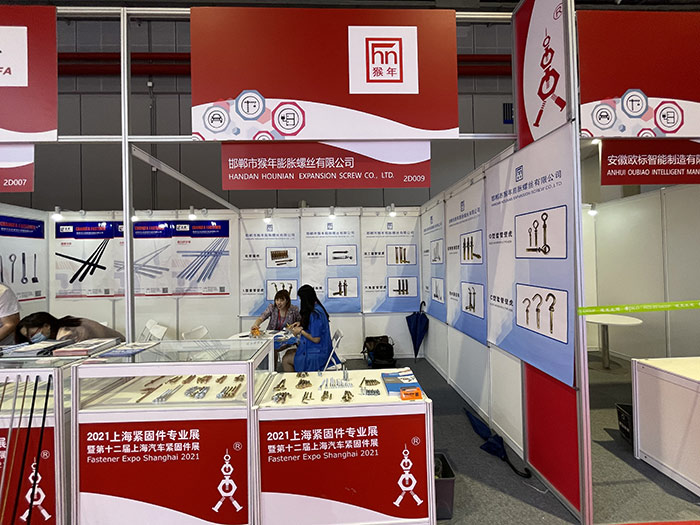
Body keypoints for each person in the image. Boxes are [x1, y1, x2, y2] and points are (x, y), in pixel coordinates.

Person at [286, 285, 334, 372]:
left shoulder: (315, 314)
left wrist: (301, 331)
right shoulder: (318, 308)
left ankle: (298, 378)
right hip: (321, 349)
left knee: (286, 360)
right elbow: (313, 326)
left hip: (318, 354)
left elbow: (316, 339)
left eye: (301, 299)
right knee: (288, 352)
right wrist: (301, 324)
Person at [14, 312, 125, 344]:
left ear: (47, 326)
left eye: (32, 335)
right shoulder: (67, 323)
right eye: (29, 338)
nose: (32, 339)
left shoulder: (69, 334)